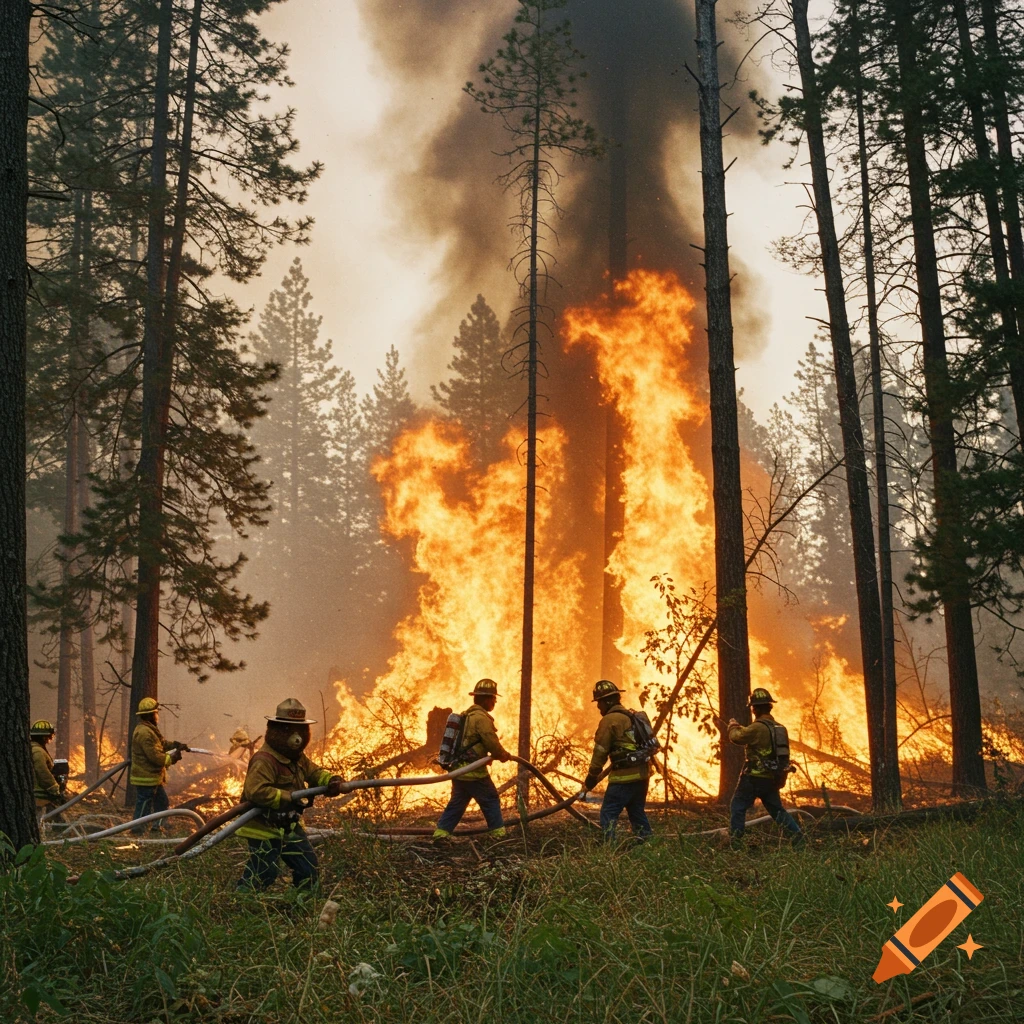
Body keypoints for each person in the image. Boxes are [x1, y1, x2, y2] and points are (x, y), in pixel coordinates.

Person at [235, 698, 343, 891]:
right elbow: (256, 791)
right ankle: (239, 902)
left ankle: (304, 906)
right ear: (275, 730)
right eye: (289, 731)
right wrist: (289, 797)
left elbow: (314, 772)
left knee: (308, 868)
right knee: (264, 872)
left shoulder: (298, 758)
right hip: (264, 829)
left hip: (290, 826)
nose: (297, 738)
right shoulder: (264, 760)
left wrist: (331, 780)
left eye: (300, 731)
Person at [717, 687, 803, 845]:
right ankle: (797, 837)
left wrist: (733, 726)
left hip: (754, 777)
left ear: (754, 708)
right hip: (772, 777)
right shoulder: (779, 728)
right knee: (777, 810)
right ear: (770, 707)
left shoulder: (757, 728)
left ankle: (735, 841)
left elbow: (737, 738)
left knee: (738, 806)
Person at [432, 679, 512, 841]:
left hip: (458, 771)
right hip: (473, 771)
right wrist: (503, 755)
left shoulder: (466, 715)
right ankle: (499, 836)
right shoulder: (481, 718)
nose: (495, 702)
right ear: (486, 699)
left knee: (457, 803)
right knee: (490, 798)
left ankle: (441, 834)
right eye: (494, 699)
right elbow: (491, 742)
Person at [583, 680, 653, 842]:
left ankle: (609, 850)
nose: (598, 707)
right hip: (642, 775)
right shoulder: (631, 716)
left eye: (599, 702)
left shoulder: (610, 720)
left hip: (624, 778)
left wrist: (592, 775)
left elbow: (600, 751)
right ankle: (647, 845)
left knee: (608, 813)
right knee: (636, 812)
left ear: (607, 701)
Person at [130, 697, 186, 834]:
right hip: (146, 778)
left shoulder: (149, 729)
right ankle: (138, 830)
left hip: (152, 777)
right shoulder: (145, 733)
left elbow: (160, 744)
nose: (157, 716)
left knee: (162, 803)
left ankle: (156, 828)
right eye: (156, 713)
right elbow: (156, 757)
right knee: (144, 805)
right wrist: (172, 758)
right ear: (150, 715)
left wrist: (175, 745)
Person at [30, 720, 64, 822]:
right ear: (44, 737)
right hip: (39, 796)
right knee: (42, 820)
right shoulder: (37, 751)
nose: (49, 740)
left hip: (40, 796)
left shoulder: (36, 749)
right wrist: (54, 788)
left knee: (54, 818)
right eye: (49, 737)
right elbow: (42, 771)